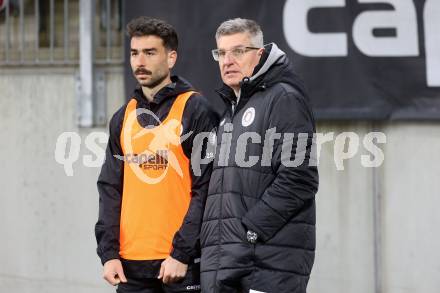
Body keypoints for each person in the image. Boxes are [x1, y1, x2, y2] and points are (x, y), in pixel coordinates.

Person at [95, 17, 218, 293]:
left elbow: (206, 190)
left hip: (180, 266)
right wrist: (109, 253)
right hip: (130, 269)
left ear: (171, 57)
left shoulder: (196, 110)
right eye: (135, 53)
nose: (140, 61)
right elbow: (110, 189)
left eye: (150, 53)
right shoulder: (122, 117)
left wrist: (181, 253)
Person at [200, 18, 319, 293]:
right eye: (221, 53)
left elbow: (300, 178)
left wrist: (251, 231)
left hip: (267, 264)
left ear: (261, 53)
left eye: (238, 51)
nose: (227, 60)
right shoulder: (231, 110)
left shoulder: (284, 98)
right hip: (231, 262)